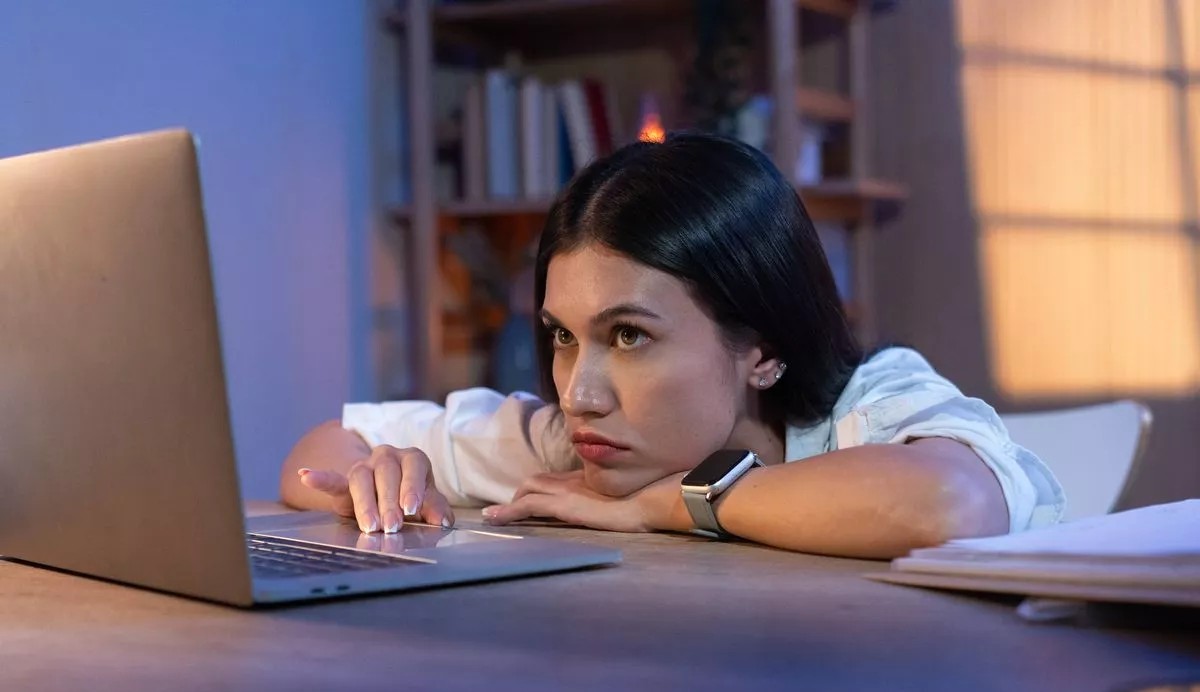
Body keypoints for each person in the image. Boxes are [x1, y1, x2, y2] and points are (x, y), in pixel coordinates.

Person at [280, 133, 1063, 559]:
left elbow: (949, 504)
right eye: (561, 336)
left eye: (628, 335)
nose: (579, 392)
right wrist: (374, 478)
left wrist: (669, 507)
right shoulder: (573, 446)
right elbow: (315, 448)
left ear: (761, 348)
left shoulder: (870, 406)